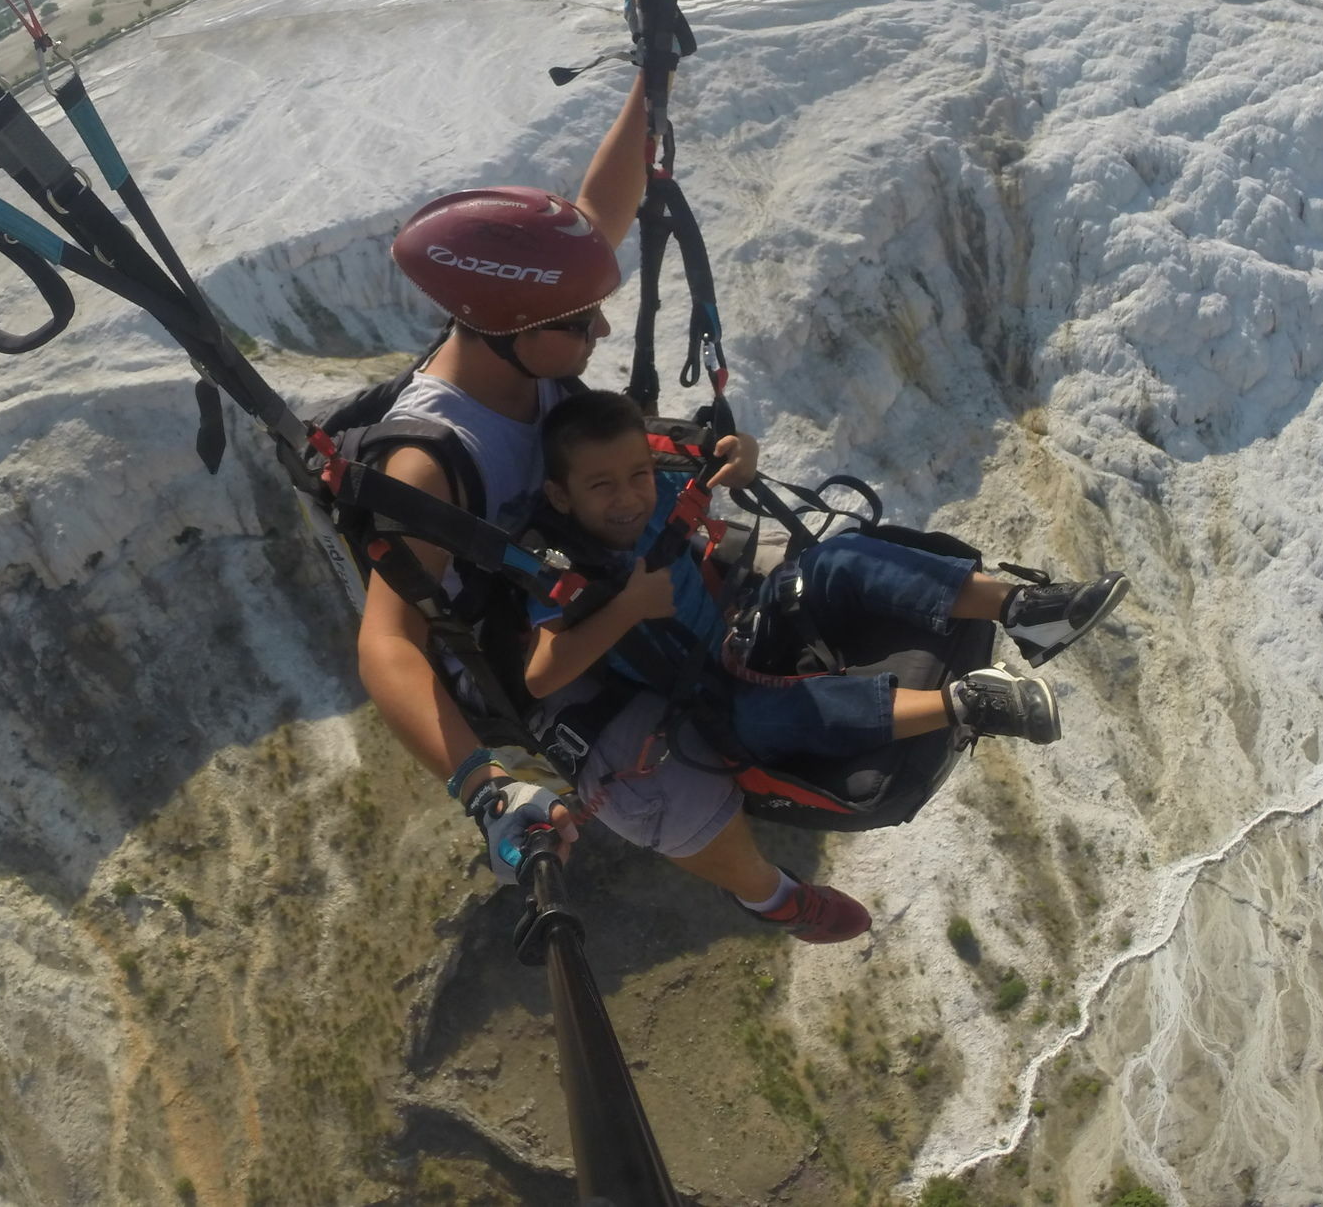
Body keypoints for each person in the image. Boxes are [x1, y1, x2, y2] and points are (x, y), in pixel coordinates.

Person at [519, 389, 1129, 942]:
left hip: (744, 624)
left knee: (836, 559)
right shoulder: (563, 567)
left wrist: (744, 453)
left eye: (638, 476)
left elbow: (721, 460)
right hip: (707, 697)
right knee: (779, 715)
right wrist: (626, 608)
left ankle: (1021, 608)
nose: (627, 497)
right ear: (559, 495)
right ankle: (967, 703)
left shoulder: (659, 499)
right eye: (601, 487)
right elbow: (542, 676)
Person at [356, 76, 655, 886]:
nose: (599, 327)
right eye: (578, 321)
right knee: (671, 777)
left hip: (592, 567)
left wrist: (649, 78)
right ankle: (763, 891)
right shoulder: (429, 462)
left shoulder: (528, 339)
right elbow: (386, 642)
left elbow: (602, 212)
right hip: (526, 657)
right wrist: (481, 786)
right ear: (506, 334)